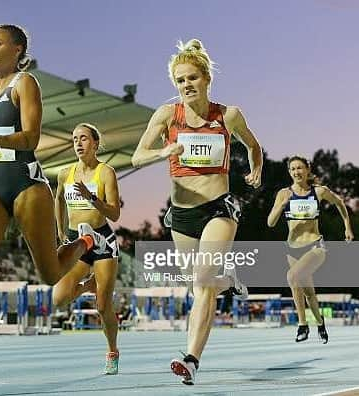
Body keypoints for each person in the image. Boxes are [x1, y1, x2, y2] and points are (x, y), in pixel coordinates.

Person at [0, 24, 107, 382]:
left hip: (25, 183)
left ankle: (88, 241)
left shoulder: (25, 83)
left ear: (17, 49)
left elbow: (31, 137)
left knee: (50, 274)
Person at [132, 38, 262, 385]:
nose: (186, 85)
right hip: (183, 212)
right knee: (199, 284)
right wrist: (164, 152)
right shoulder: (166, 115)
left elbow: (253, 145)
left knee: (202, 284)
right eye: (180, 80)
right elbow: (137, 156)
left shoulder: (228, 115)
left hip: (219, 208)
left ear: (206, 78)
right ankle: (229, 280)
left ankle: (191, 359)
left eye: (192, 78)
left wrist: (256, 168)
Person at [53, 123, 121, 374]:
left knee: (103, 307)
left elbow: (114, 213)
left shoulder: (106, 173)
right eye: (74, 140)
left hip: (102, 241)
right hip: (77, 241)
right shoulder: (65, 173)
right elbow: (58, 198)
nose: (78, 143)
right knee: (59, 299)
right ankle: (89, 285)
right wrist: (60, 230)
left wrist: (91, 197)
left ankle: (112, 350)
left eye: (83, 138)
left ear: (95, 143)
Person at [267, 155, 354, 343]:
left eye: (300, 168)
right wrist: (282, 205)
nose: (296, 172)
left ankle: (302, 325)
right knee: (308, 292)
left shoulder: (319, 191)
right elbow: (270, 222)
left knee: (292, 276)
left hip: (315, 246)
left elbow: (340, 203)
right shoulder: (284, 193)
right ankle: (321, 324)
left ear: (307, 169)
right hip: (292, 248)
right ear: (289, 172)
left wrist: (347, 226)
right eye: (292, 169)